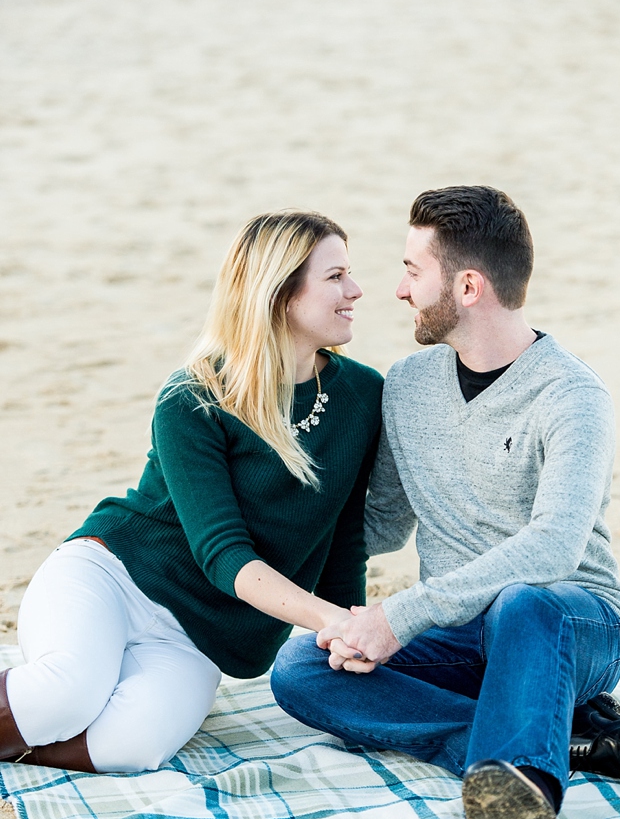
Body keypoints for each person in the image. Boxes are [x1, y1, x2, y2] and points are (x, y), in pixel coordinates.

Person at [270, 186, 620, 819]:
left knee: (524, 602)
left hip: (572, 624)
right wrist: (268, 514)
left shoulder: (572, 396)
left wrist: (401, 613)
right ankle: (550, 747)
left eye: (414, 271)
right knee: (301, 665)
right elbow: (378, 525)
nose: (400, 290)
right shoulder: (407, 387)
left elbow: (554, 546)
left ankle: (525, 814)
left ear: (467, 286)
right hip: (461, 637)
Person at [0, 212, 383, 774]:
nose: (355, 290)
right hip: (114, 579)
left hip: (199, 638)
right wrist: (329, 619)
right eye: (335, 277)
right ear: (279, 293)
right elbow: (222, 552)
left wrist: (347, 637)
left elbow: (344, 538)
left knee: (133, 748)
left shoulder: (362, 394)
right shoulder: (193, 396)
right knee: (65, 695)